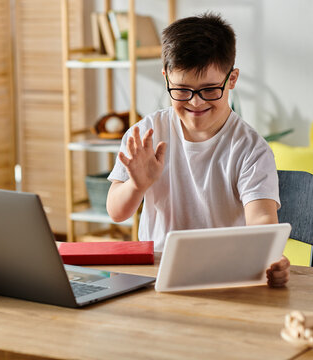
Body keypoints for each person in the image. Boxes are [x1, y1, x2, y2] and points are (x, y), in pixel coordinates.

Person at [106, 13, 290, 288]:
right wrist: (136, 185)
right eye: (181, 90)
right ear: (166, 78)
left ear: (232, 79)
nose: (195, 102)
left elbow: (261, 218)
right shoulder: (147, 133)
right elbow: (116, 212)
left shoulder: (250, 148)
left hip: (224, 277)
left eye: (209, 89)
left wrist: (270, 257)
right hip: (154, 274)